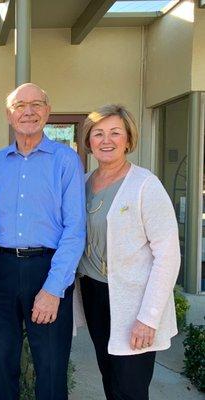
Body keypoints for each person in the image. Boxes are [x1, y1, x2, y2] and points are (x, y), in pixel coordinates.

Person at [0, 83, 86, 400]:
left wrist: (54, 288)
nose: (28, 111)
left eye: (36, 104)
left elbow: (75, 228)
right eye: (20, 105)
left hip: (48, 268)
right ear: (8, 115)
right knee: (2, 360)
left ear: (48, 111)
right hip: (0, 269)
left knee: (51, 366)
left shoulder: (66, 161)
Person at [74, 104, 180, 400]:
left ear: (128, 140)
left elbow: (168, 256)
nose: (106, 140)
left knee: (131, 387)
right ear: (89, 141)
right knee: (109, 377)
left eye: (115, 133)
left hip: (134, 301)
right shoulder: (83, 183)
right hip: (95, 294)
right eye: (98, 133)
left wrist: (149, 317)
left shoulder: (145, 185)